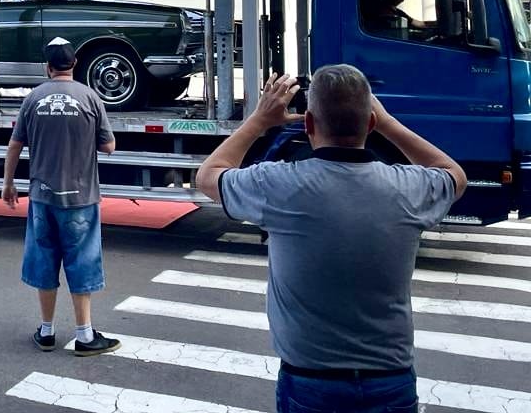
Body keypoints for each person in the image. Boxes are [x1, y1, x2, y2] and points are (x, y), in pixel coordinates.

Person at [197, 65, 467, 413]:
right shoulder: (408, 187)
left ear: (308, 123)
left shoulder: (277, 185)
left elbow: (208, 176)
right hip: (391, 380)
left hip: (310, 384)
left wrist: (259, 121)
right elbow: (454, 175)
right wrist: (388, 123)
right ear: (370, 123)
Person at [2, 36, 120, 357]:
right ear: (75, 64)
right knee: (81, 263)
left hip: (42, 196)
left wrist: (8, 184)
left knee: (44, 261)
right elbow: (109, 146)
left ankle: (46, 331)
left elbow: (15, 145)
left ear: (48, 67)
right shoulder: (90, 97)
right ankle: (84, 335)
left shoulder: (32, 99)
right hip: (81, 197)